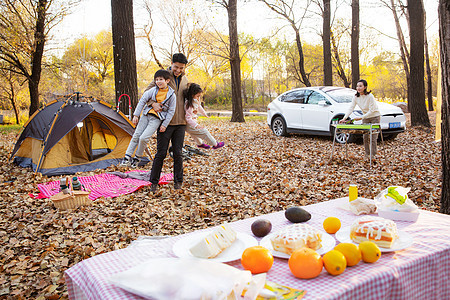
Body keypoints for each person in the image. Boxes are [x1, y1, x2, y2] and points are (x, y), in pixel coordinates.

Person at [146, 53, 189, 191]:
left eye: (181, 68)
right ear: (171, 64)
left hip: (180, 123)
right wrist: (153, 104)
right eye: (176, 67)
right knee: (161, 153)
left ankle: (178, 182)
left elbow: (188, 97)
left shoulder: (185, 79)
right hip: (164, 123)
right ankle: (154, 182)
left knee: (178, 153)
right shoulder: (163, 77)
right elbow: (146, 93)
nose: (178, 70)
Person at [119, 69, 176, 168]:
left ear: (167, 81)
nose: (158, 82)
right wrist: (136, 115)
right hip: (146, 115)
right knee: (136, 135)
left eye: (161, 79)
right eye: (156, 79)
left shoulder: (171, 95)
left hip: (156, 119)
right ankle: (127, 158)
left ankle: (137, 158)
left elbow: (171, 111)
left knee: (143, 138)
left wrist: (164, 124)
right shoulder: (153, 90)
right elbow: (142, 100)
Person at [339, 79, 381, 159]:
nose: (358, 88)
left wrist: (361, 117)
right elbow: (351, 108)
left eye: (360, 86)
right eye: (357, 86)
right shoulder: (356, 97)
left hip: (374, 117)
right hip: (365, 117)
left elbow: (371, 110)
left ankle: (373, 155)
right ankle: (367, 154)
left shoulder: (370, 96)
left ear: (365, 87)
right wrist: (344, 118)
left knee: (373, 137)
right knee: (365, 137)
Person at [184, 83, 224, 150]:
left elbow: (199, 107)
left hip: (192, 122)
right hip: (190, 124)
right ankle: (215, 144)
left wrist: (204, 114)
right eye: (197, 96)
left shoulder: (195, 100)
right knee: (204, 131)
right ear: (192, 95)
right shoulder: (189, 104)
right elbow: (188, 118)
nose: (199, 98)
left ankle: (200, 144)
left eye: (199, 96)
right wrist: (196, 125)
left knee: (195, 134)